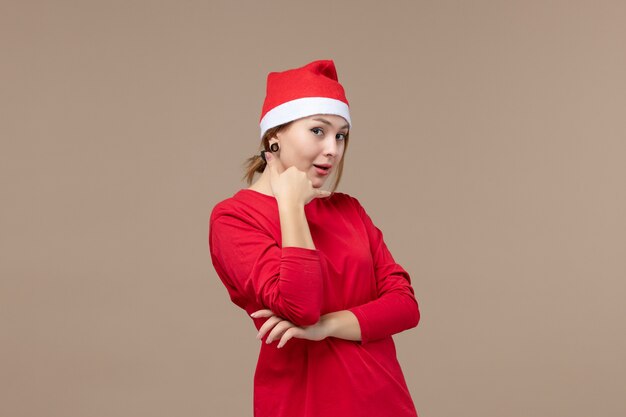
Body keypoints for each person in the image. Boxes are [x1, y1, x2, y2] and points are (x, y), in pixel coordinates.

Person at [208, 59, 421, 417]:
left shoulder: (348, 210)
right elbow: (301, 307)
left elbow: (405, 306)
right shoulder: (234, 218)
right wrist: (291, 204)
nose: (333, 149)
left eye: (340, 135)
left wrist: (327, 327)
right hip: (304, 403)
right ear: (274, 135)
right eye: (318, 131)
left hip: (385, 400)